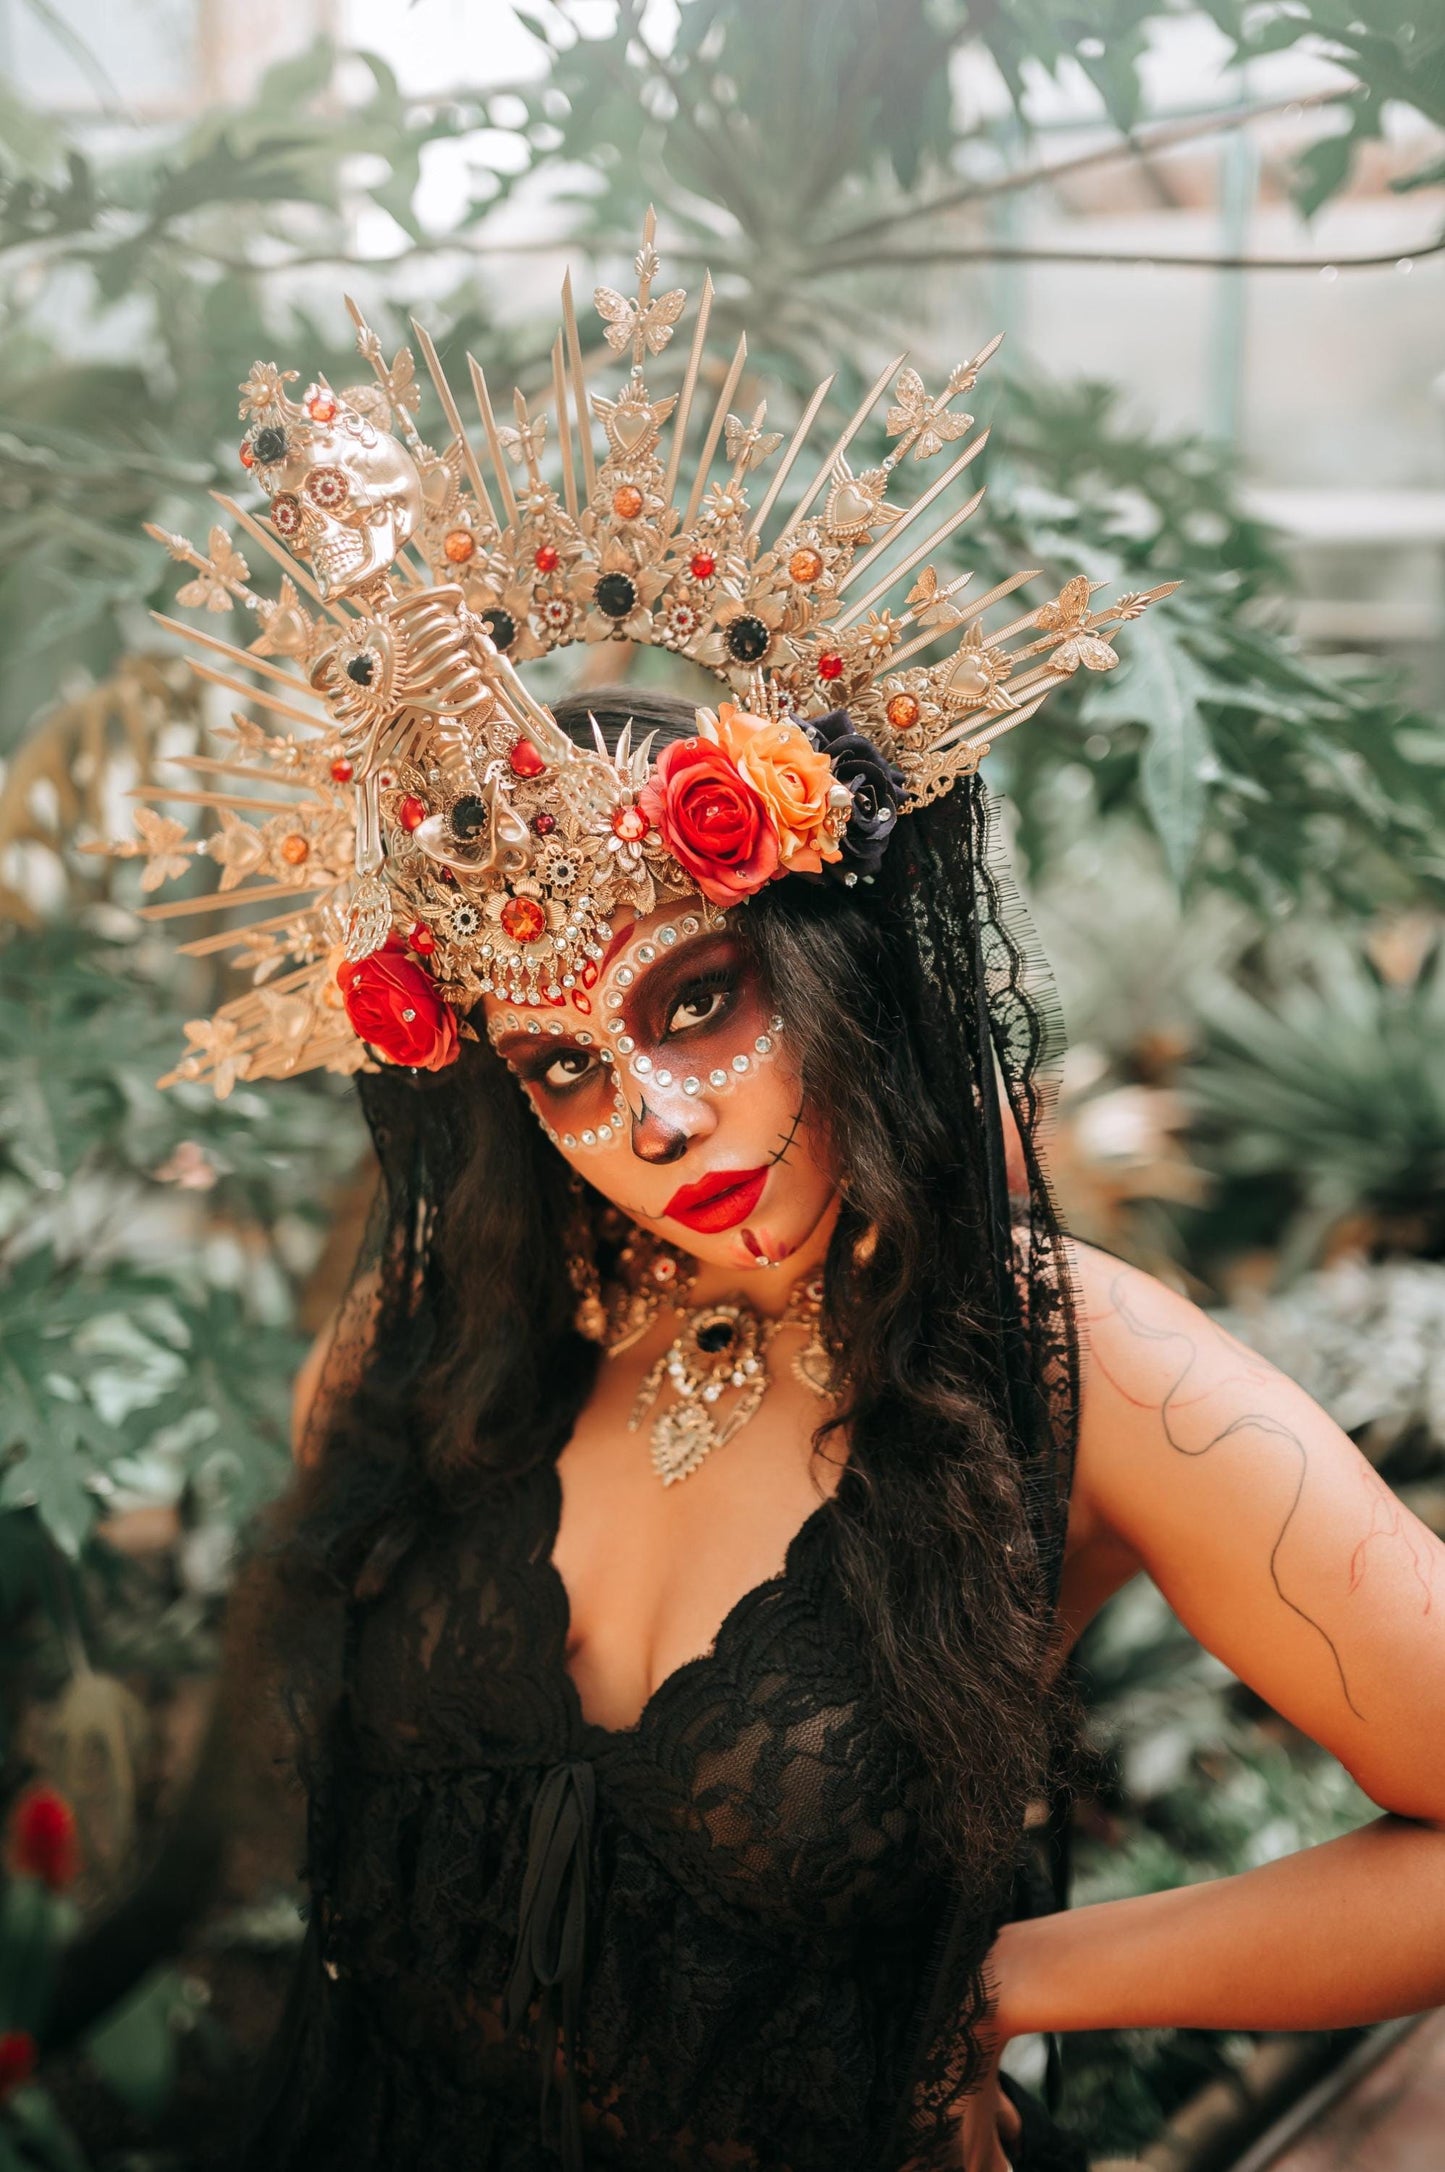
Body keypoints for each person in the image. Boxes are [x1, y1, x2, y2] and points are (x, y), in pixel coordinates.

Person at [88, 227, 1445, 2172]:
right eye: (558, 1066)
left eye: (696, 1000)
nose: (644, 1112)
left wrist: (1006, 1983)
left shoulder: (1085, 1371)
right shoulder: (446, 1338)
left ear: (823, 961)